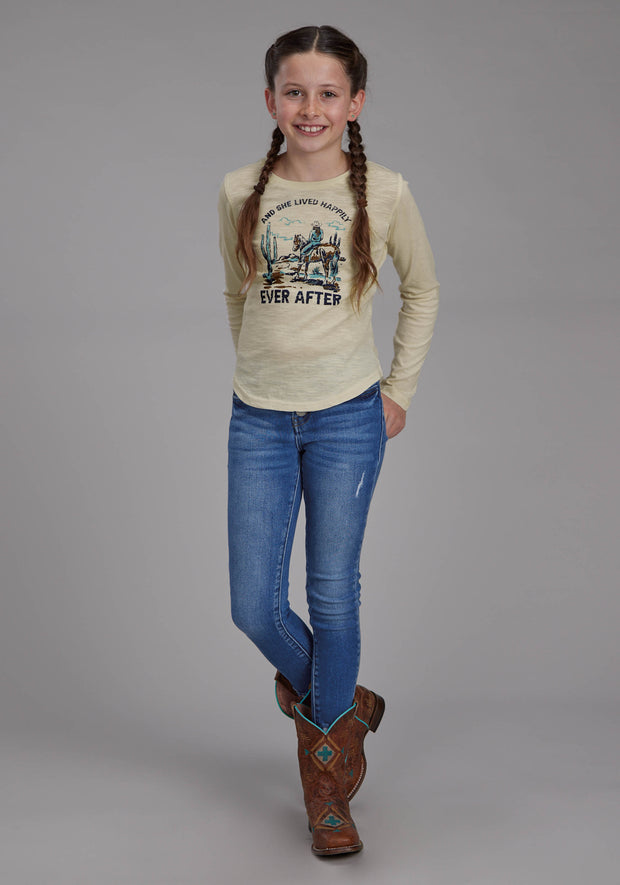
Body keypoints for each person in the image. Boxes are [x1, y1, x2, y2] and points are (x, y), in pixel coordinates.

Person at [218, 25, 439, 857]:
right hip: (258, 418)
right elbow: (236, 292)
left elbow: (423, 289)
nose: (310, 107)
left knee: (333, 593)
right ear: (271, 99)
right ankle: (345, 706)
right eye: (294, 91)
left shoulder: (384, 190)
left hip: (348, 416)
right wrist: (259, 373)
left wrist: (399, 389)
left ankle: (328, 794)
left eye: (328, 93)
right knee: (254, 604)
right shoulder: (238, 188)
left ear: (356, 103)